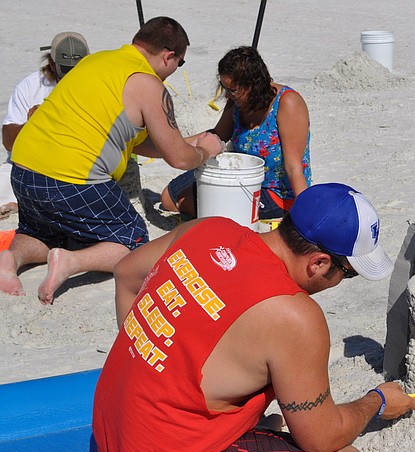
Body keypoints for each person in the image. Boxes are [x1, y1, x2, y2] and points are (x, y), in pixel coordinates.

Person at [93, 182, 415, 452]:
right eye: (347, 274)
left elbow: (125, 274)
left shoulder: (209, 228)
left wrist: (153, 357)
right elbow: (320, 439)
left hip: (108, 431)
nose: (340, 281)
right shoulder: (293, 316)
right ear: (320, 263)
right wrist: (377, 402)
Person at [0, 17, 223, 304]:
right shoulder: (148, 84)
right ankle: (71, 262)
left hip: (24, 170)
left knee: (42, 231)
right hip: (70, 179)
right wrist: (205, 152)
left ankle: (10, 259)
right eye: (179, 64)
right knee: (134, 240)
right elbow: (180, 160)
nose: (175, 71)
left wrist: (190, 141)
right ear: (169, 56)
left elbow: (138, 142)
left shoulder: (96, 62)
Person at [160, 46, 311, 219]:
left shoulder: (288, 103)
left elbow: (294, 167)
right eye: (224, 88)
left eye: (232, 90)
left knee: (187, 203)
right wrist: (173, 144)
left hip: (275, 191)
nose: (226, 96)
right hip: (239, 175)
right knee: (168, 199)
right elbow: (217, 134)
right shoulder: (238, 102)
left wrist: (306, 215)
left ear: (253, 86)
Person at [1, 32, 90, 219]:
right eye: (66, 69)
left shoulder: (96, 84)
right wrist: (33, 124)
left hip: (75, 165)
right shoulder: (30, 86)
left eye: (78, 68)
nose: (71, 75)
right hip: (29, 163)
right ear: (51, 63)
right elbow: (9, 142)